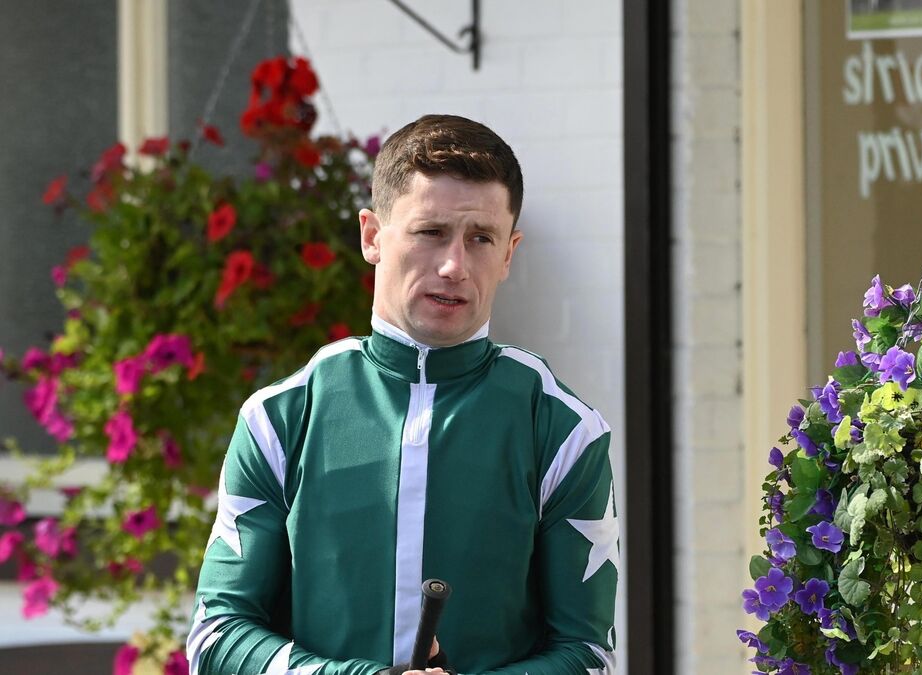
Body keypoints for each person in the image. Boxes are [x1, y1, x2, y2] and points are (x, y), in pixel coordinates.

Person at [187, 114, 619, 674]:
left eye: (481, 238)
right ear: (372, 236)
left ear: (509, 254)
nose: (454, 266)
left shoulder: (564, 429)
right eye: (430, 232)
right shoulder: (279, 416)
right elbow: (215, 638)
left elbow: (589, 655)